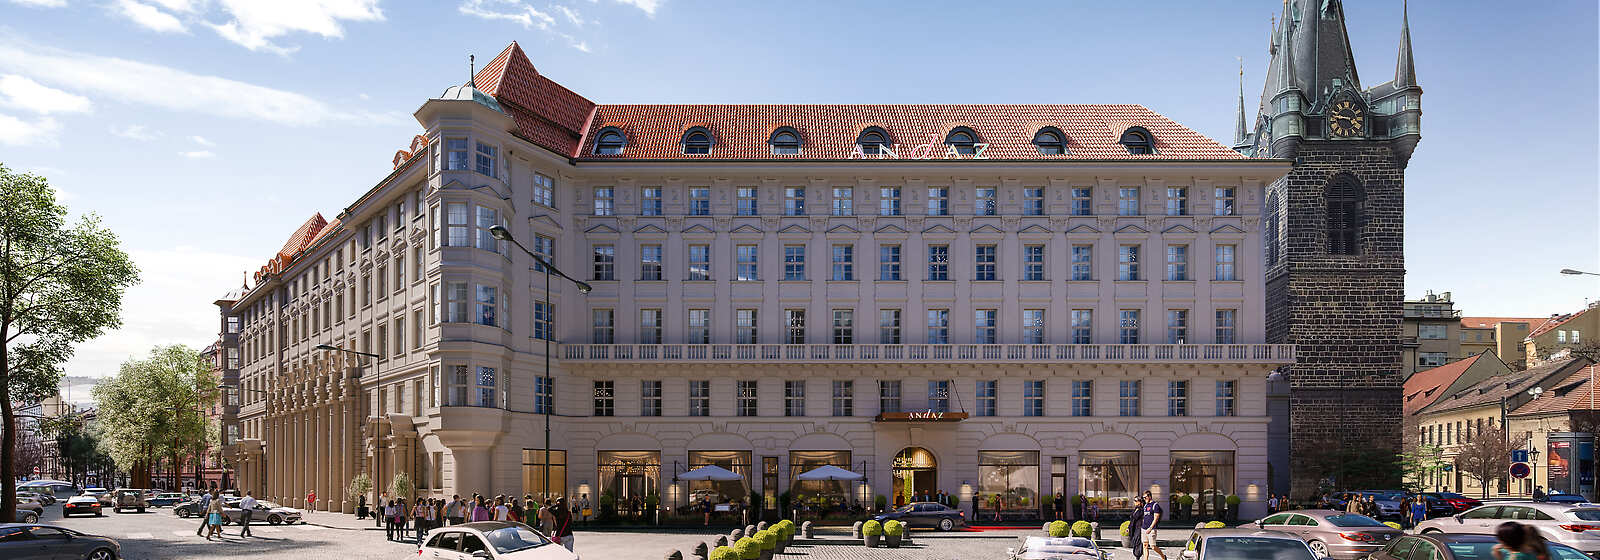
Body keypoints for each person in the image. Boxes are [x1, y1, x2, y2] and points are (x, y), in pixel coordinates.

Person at [1140, 490, 1168, 560]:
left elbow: (1156, 518)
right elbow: (1144, 516)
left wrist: (1150, 528)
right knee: (1145, 545)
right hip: (1144, 528)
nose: (1144, 499)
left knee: (1153, 546)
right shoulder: (1145, 505)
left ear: (1149, 496)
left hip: (1151, 529)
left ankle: (1163, 556)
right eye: (1143, 498)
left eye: (1145, 497)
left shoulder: (1155, 505)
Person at [1129, 495, 1146, 560]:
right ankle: (1137, 555)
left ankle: (1138, 556)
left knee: (1138, 542)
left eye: (1136, 501)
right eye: (1134, 501)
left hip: (1139, 528)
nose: (1134, 502)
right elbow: (1132, 519)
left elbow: (1136, 518)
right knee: (1135, 541)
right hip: (1134, 528)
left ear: (1139, 502)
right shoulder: (1135, 509)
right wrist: (1128, 527)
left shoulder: (1141, 510)